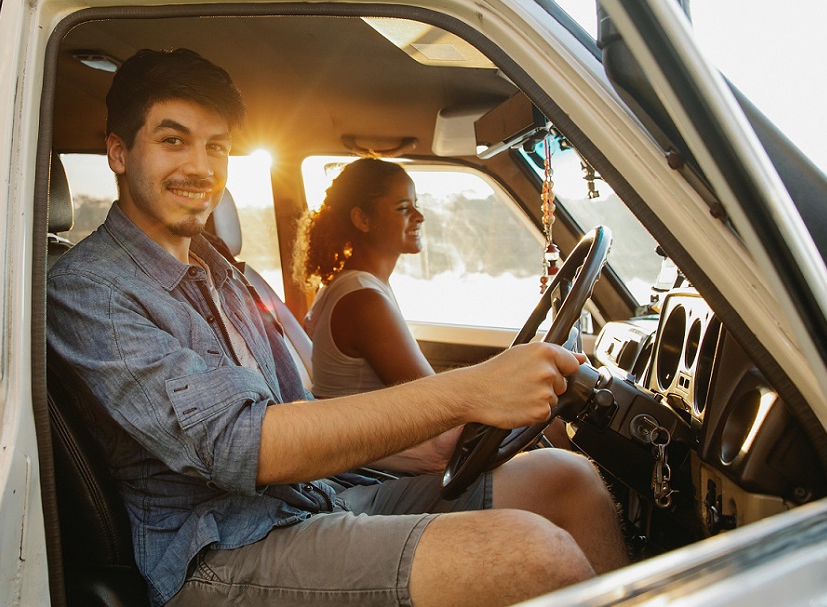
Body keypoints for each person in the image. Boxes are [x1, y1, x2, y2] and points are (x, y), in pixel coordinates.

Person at [46, 48, 628, 607]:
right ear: (119, 153)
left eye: (216, 146)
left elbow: (302, 406)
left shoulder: (222, 271)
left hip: (309, 500)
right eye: (173, 141)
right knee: (532, 557)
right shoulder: (90, 290)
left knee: (565, 478)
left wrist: (438, 442)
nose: (200, 167)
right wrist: (467, 391)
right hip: (219, 553)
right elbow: (244, 446)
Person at [296, 158, 433, 399]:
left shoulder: (358, 284)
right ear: (362, 220)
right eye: (403, 208)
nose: (419, 216)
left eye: (416, 205)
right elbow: (432, 398)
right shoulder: (363, 301)